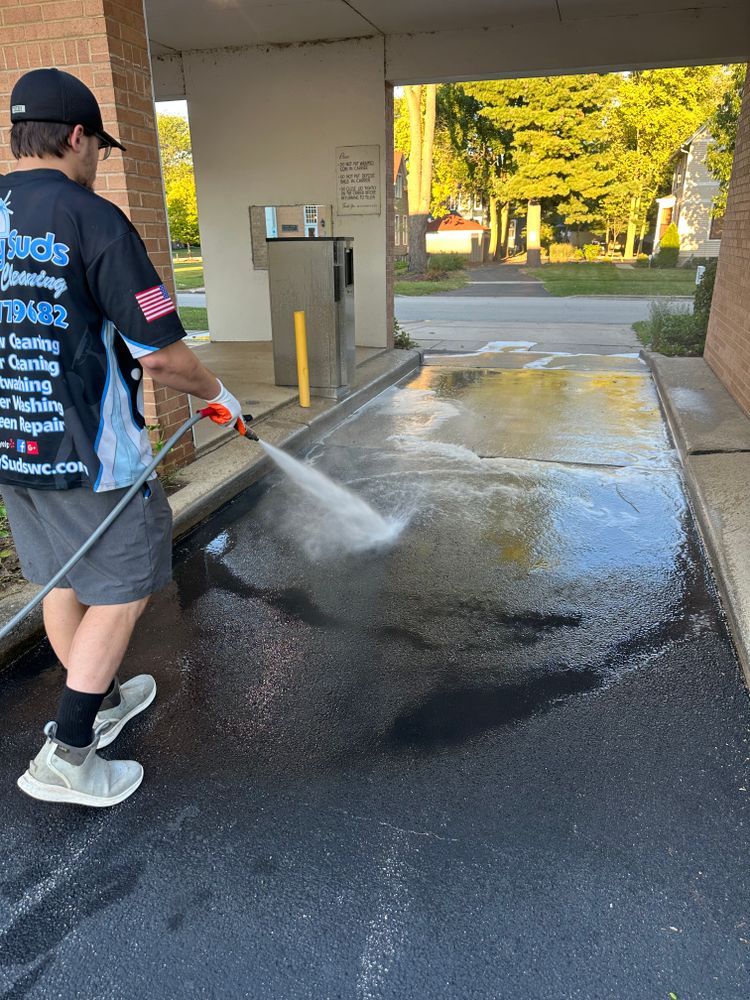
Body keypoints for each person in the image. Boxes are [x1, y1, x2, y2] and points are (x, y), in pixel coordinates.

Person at [1, 68, 242, 807]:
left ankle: (98, 700)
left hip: (10, 444)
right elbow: (162, 353)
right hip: (89, 453)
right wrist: (216, 395)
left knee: (63, 576)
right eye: (99, 146)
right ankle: (68, 755)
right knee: (126, 585)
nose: (98, 159)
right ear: (77, 136)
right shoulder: (94, 220)